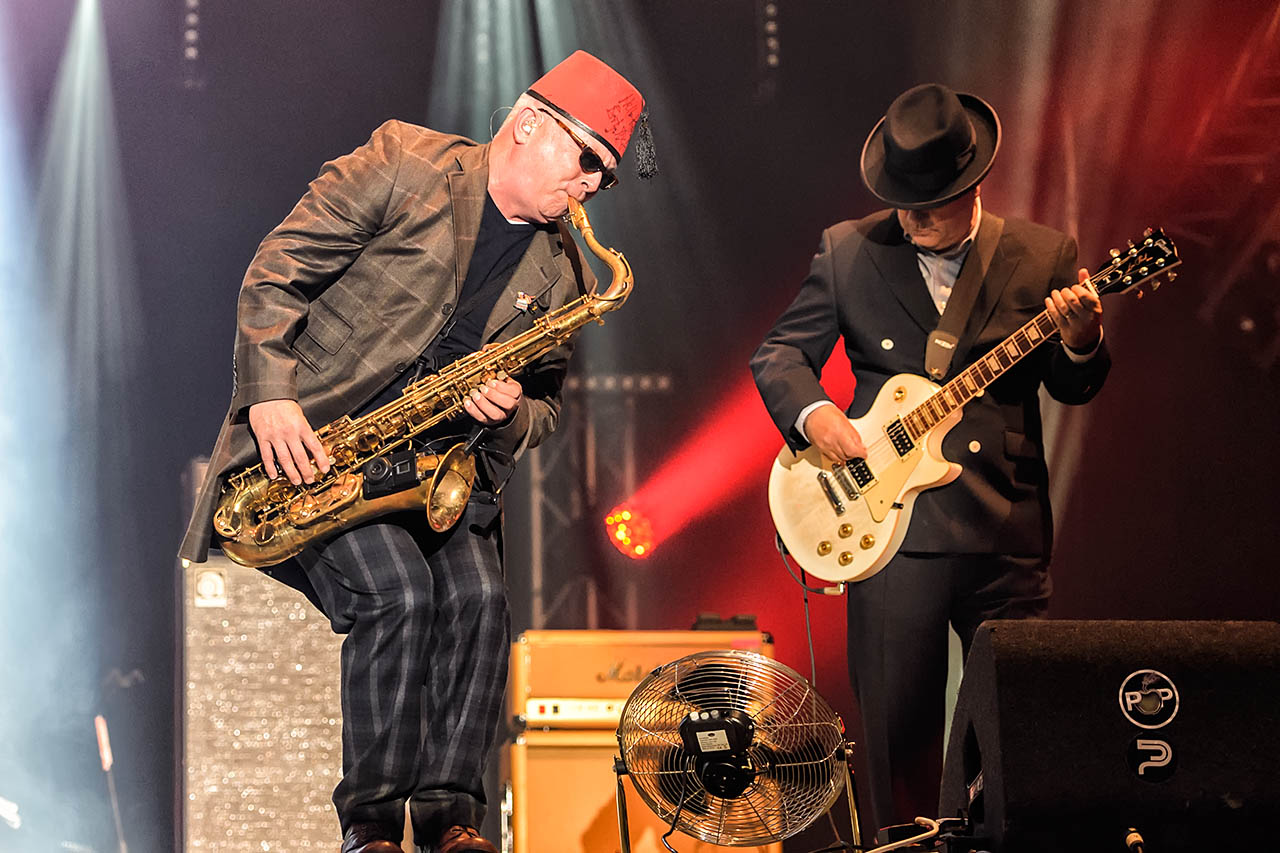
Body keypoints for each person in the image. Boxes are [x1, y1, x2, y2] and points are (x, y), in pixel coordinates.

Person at [179, 51, 652, 853]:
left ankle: (449, 818)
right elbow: (275, 272)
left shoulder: (570, 270)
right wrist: (270, 394)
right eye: (585, 161)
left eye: (604, 178)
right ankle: (370, 824)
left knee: (482, 603)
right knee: (398, 593)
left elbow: (545, 409)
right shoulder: (403, 160)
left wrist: (510, 412)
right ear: (529, 125)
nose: (590, 186)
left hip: (439, 471)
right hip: (320, 454)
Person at [750, 83, 1110, 834]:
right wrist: (816, 415)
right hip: (889, 535)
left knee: (1018, 734)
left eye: (931, 205)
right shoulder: (849, 250)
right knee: (897, 743)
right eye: (902, 203)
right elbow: (781, 353)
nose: (912, 220)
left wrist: (1080, 342)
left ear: (972, 185)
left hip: (1002, 529)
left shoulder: (1042, 254)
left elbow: (1073, 386)